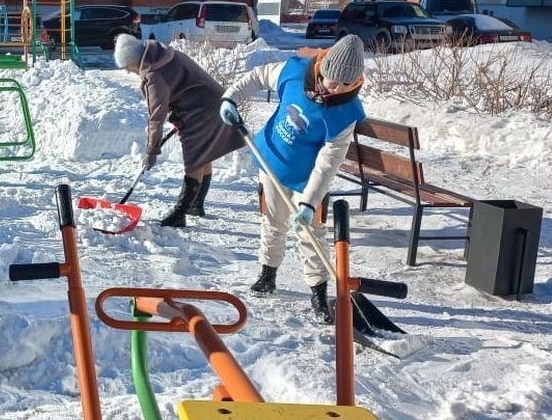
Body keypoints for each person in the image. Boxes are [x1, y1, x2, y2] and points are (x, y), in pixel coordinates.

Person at [218, 34, 367, 323]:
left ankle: (318, 291)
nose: (334, 88)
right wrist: (230, 99)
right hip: (270, 159)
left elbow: (328, 164)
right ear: (322, 69)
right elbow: (257, 76)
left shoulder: (346, 114)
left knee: (310, 234)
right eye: (331, 80)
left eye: (344, 85)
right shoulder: (295, 71)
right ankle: (268, 272)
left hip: (306, 179)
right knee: (272, 221)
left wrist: (309, 203)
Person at [113, 33, 244, 227]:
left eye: (127, 67)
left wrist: (151, 150)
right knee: (203, 155)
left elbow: (156, 118)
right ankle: (195, 204)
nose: (127, 72)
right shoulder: (162, 54)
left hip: (200, 110)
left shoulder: (154, 75)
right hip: (212, 102)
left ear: (134, 60)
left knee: (194, 159)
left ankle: (180, 213)